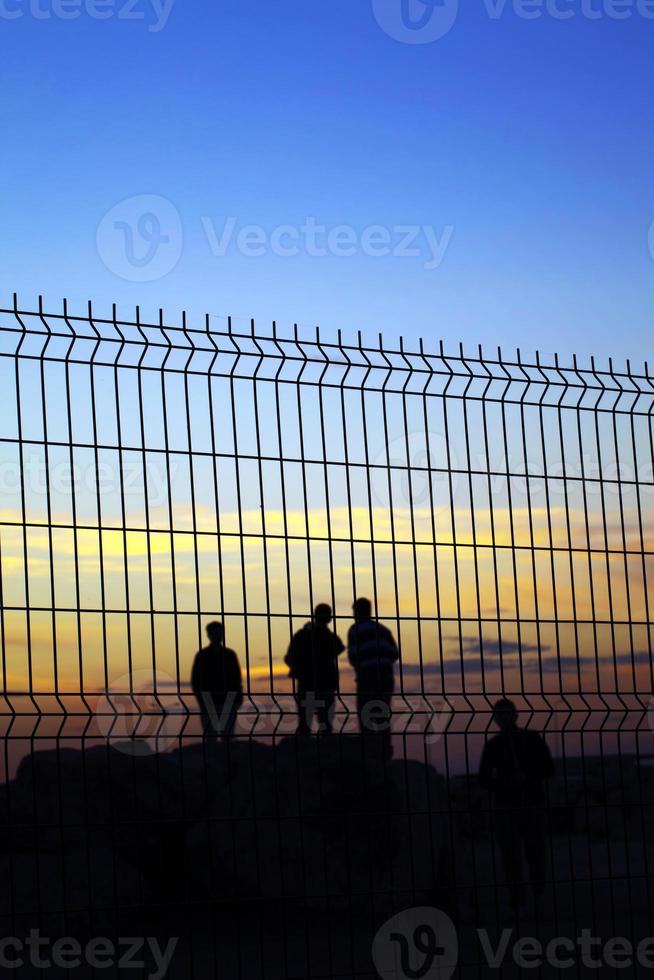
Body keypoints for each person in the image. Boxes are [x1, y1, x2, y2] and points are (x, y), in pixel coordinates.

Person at [479, 698, 554, 912]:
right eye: (499, 715)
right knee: (510, 856)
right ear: (495, 719)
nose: (503, 719)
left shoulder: (532, 739)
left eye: (506, 714)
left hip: (531, 803)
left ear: (515, 715)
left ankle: (537, 891)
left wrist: (527, 778)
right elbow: (483, 778)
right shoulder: (493, 746)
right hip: (506, 806)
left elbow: (548, 767)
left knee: (536, 852)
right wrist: (504, 784)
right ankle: (517, 897)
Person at [347, 597, 399, 754]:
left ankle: (368, 750)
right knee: (382, 713)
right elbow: (395, 653)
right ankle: (384, 748)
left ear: (356, 611)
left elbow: (353, 656)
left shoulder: (355, 630)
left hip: (367, 676)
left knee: (366, 713)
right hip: (386, 676)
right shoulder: (383, 629)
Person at [284, 603, 344, 734]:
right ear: (329, 619)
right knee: (325, 725)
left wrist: (300, 669)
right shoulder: (329, 637)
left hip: (307, 683)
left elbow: (288, 658)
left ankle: (305, 749)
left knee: (306, 723)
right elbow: (340, 647)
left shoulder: (302, 635)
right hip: (325, 682)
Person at [191, 622, 243, 740]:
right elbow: (195, 680)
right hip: (209, 699)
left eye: (219, 632)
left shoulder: (229, 655)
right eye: (215, 633)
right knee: (211, 736)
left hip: (227, 699)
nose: (217, 635)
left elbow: (237, 679)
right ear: (209, 635)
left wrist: (237, 699)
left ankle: (225, 757)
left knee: (227, 736)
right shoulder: (202, 655)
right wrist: (202, 700)